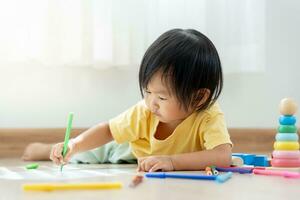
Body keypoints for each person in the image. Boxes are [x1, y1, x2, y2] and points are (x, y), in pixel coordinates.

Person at [23, 29, 232, 172]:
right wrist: (74, 144)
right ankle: (45, 149)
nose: (151, 103)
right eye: (147, 92)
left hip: (155, 159)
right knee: (95, 152)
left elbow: (222, 156)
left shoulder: (208, 115)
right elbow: (108, 131)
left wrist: (172, 162)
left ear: (198, 97)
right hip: (132, 149)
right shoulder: (145, 111)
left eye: (161, 97)